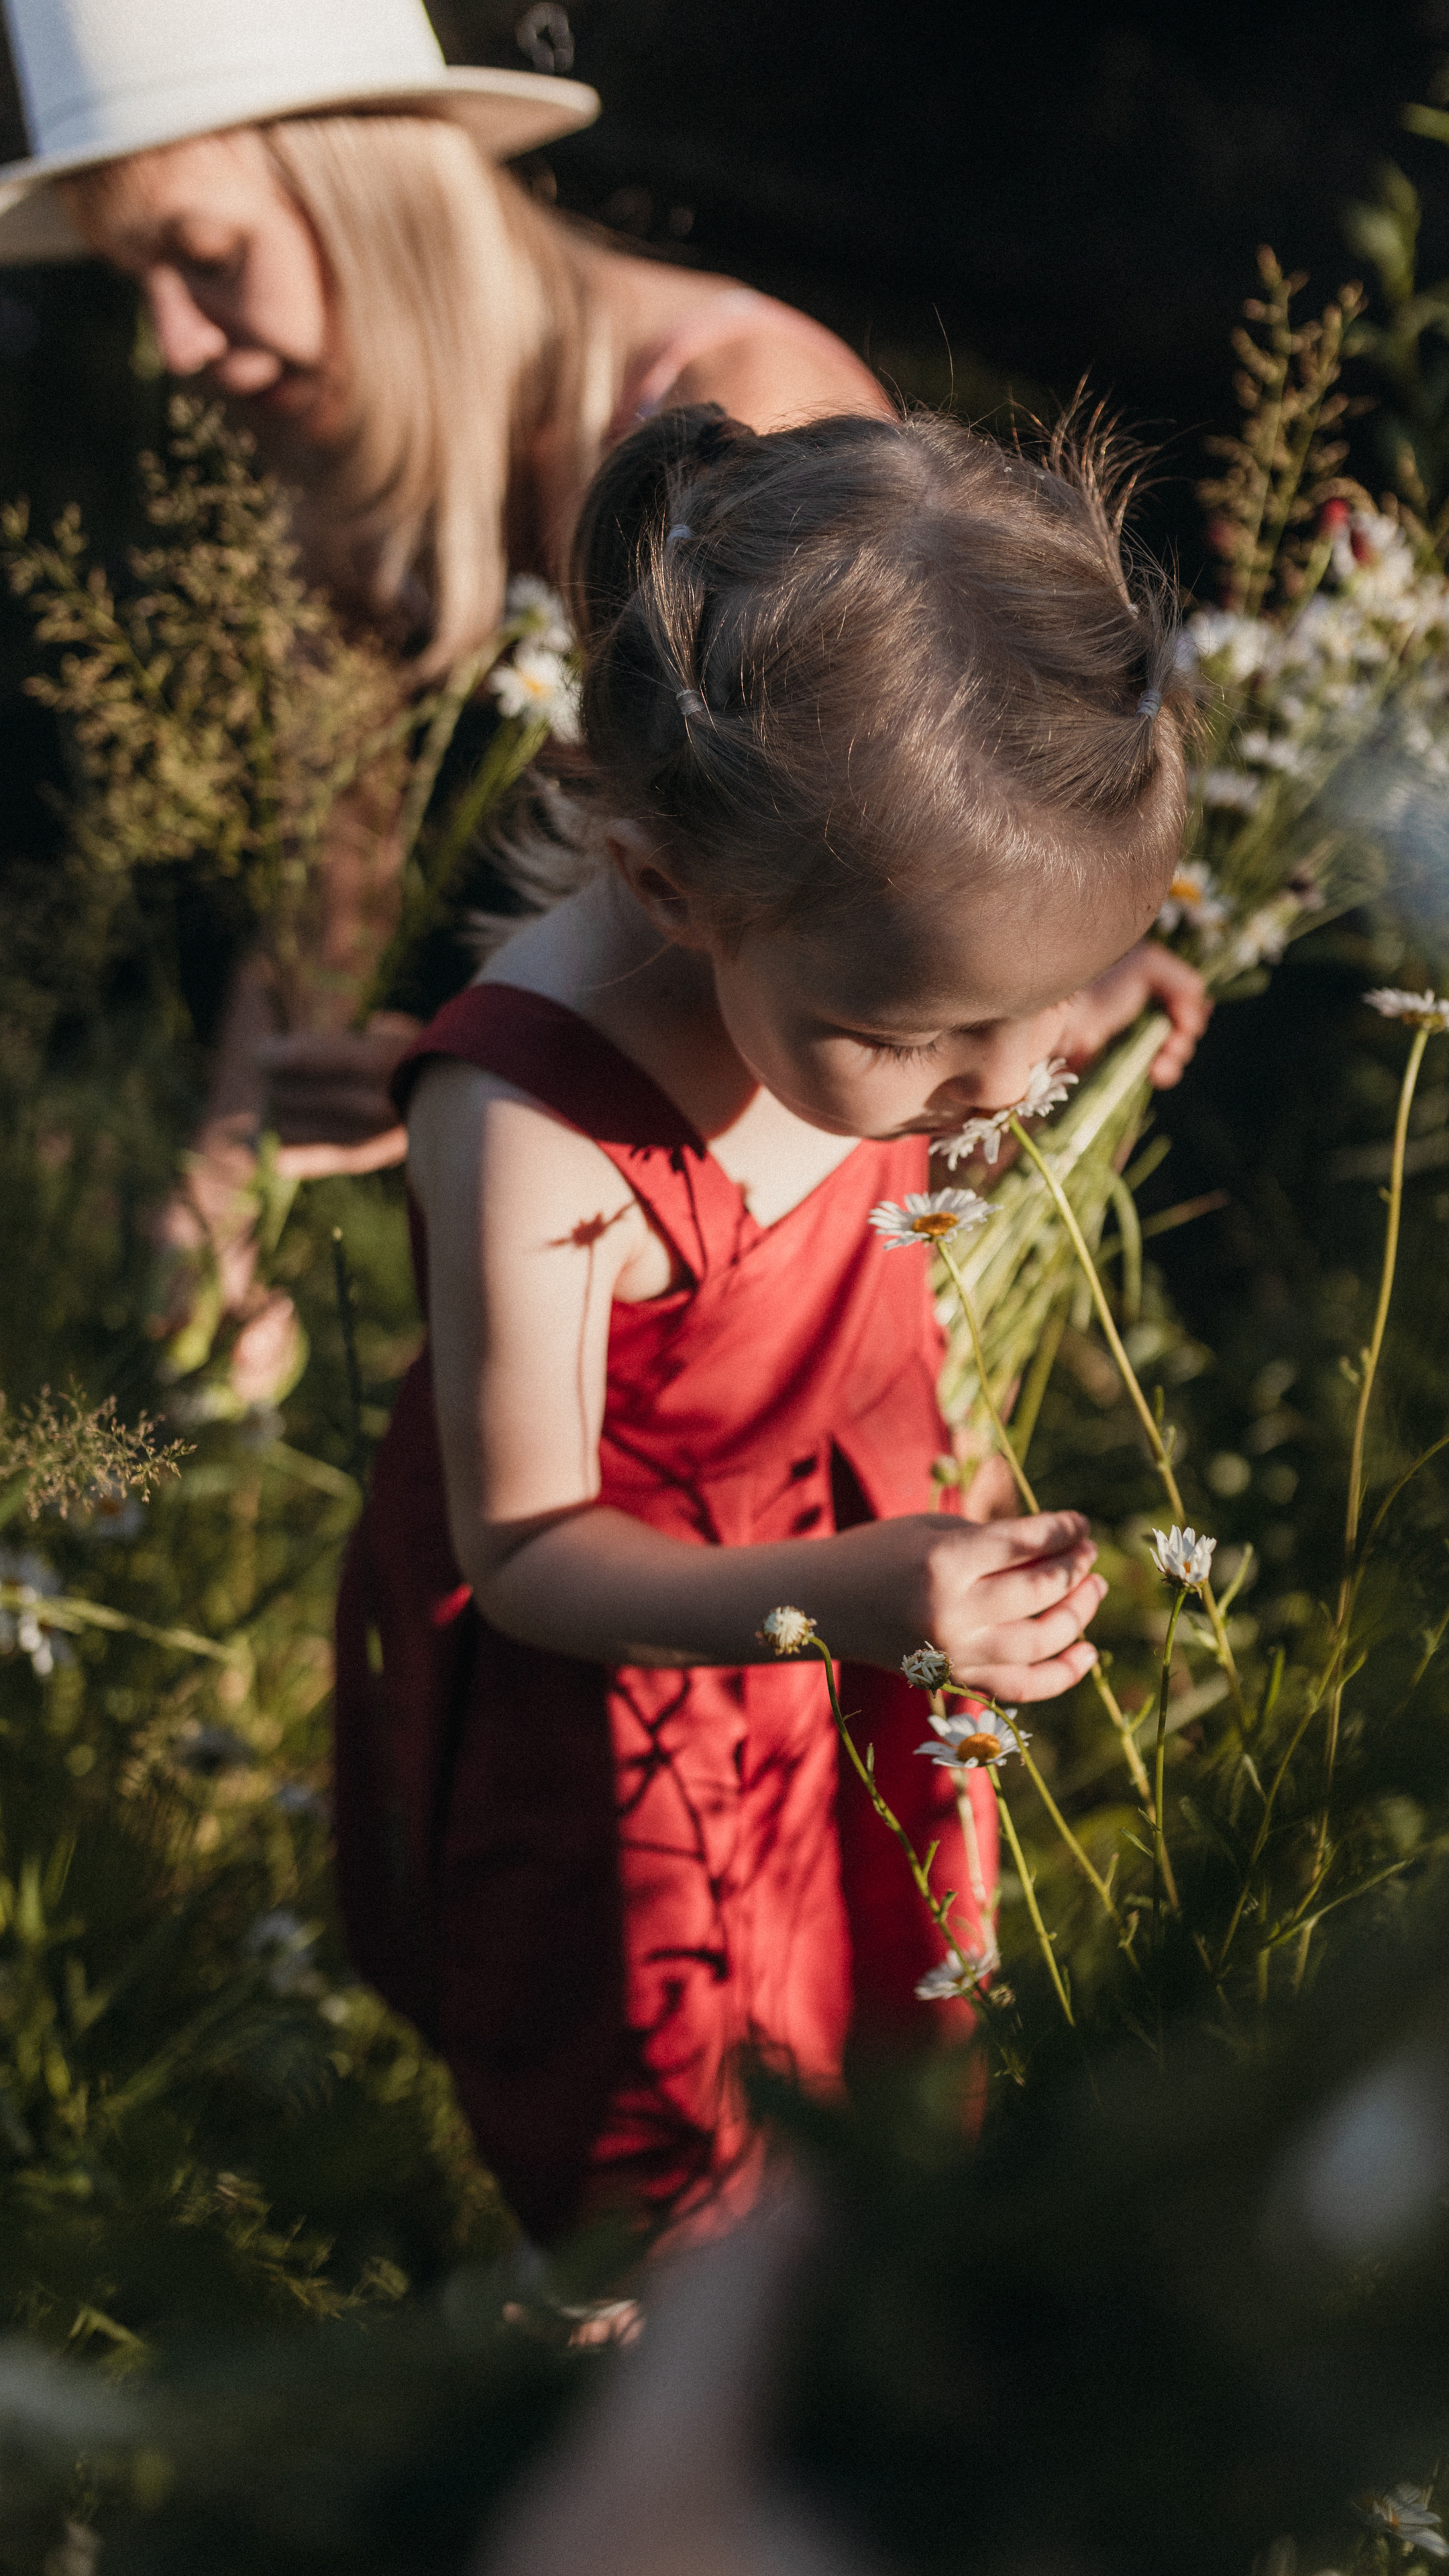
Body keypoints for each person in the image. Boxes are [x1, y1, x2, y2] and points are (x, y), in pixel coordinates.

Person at [332, 398, 1197, 2247]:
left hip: (852, 1588)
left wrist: (1083, 998)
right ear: (665, 885)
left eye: (1025, 1015)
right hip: (646, 1687)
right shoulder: (539, 1127)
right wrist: (859, 1597)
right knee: (676, 2110)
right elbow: (527, 1551)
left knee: (876, 2041)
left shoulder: (870, 973)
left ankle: (834, 2350)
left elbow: (972, 1003)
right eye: (914, 1037)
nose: (991, 1087)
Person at [0, 1, 1210, 1260]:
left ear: (371, 198)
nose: (171, 342)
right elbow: (330, 879)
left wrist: (487, 1063)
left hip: (835, 1191)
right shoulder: (358, 489)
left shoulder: (732, 419)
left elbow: (800, 923)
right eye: (135, 278)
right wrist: (216, 1216)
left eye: (205, 255)